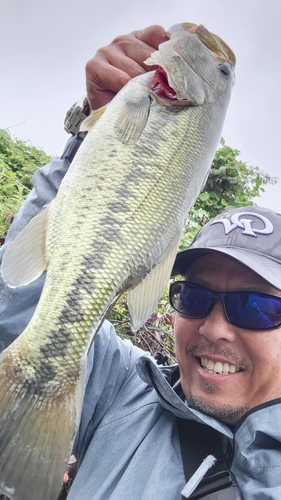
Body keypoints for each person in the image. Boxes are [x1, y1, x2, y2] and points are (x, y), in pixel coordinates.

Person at [1, 25, 281, 500]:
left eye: (256, 307)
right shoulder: (123, 387)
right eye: (193, 297)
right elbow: (14, 310)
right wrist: (89, 132)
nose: (214, 328)